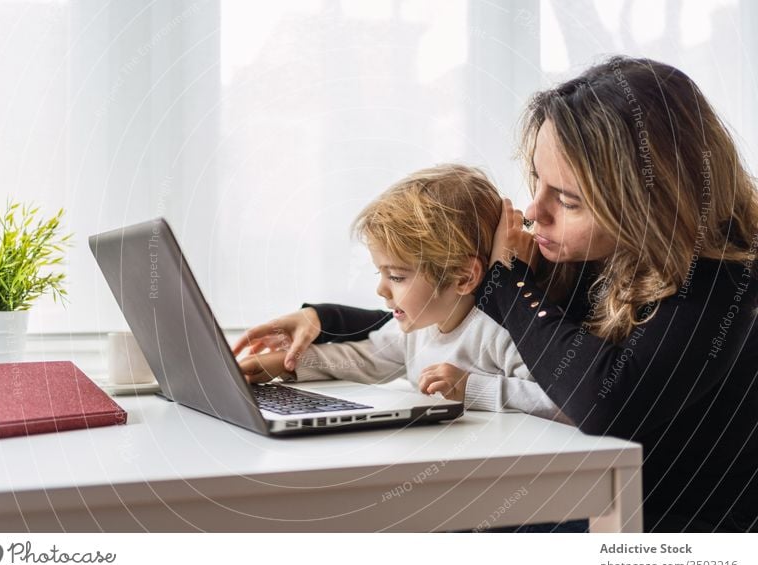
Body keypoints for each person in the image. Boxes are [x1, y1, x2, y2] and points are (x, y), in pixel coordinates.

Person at [233, 56, 758, 533]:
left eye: (569, 200)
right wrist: (320, 320)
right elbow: (452, 313)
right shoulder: (599, 251)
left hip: (675, 534)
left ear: (650, 202)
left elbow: (607, 400)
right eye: (538, 183)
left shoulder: (723, 276)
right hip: (591, 498)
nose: (533, 212)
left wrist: (509, 280)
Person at [238, 164, 569, 423]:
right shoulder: (417, 327)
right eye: (380, 272)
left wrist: (471, 389)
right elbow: (366, 358)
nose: (381, 289)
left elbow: (561, 401)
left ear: (464, 277)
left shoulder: (498, 333)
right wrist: (287, 364)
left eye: (396, 276)